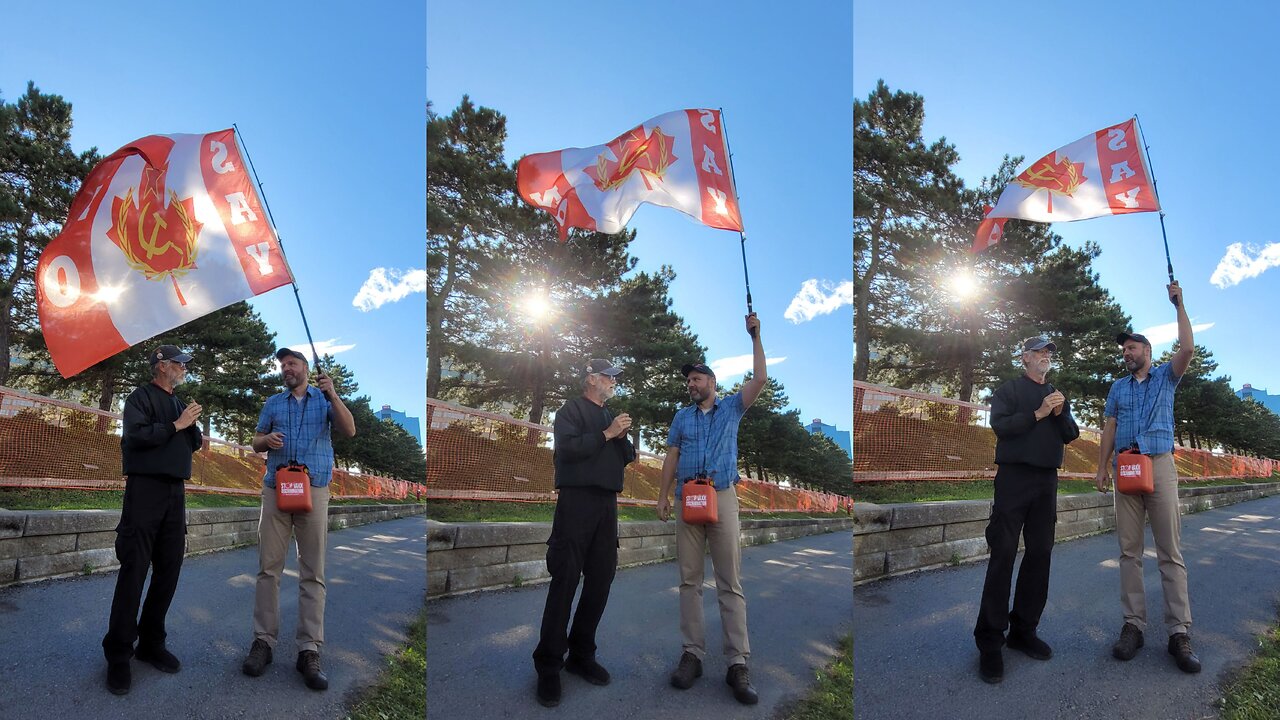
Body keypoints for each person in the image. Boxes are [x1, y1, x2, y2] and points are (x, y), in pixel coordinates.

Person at [658, 313, 766, 705]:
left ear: (712, 384)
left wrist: (756, 337)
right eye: (688, 380)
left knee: (729, 582)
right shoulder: (681, 417)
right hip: (688, 498)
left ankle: (737, 663)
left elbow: (759, 380)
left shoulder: (732, 409)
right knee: (688, 580)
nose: (691, 384)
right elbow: (671, 456)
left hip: (721, 496)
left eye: (697, 379)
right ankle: (692, 655)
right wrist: (662, 495)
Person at [1094, 281, 1200, 673]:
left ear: (1148, 352)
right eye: (1124, 349)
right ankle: (1133, 626)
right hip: (1126, 467)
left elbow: (1187, 348)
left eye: (1133, 347)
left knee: (1170, 552)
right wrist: (1102, 465)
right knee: (1129, 552)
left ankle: (1178, 633)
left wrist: (1180, 305)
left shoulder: (1165, 378)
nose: (1126, 352)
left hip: (1159, 465)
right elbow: (1110, 425)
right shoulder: (1118, 387)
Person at [241, 348, 355, 690]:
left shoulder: (324, 400)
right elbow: (255, 442)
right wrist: (267, 440)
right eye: (282, 365)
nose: (286, 368)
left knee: (312, 572)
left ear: (306, 368)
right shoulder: (273, 402)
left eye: (292, 363)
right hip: (277, 489)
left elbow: (349, 430)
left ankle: (309, 649)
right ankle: (263, 642)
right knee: (268, 569)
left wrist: (333, 393)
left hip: (314, 488)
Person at [973, 337, 1079, 683]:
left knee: (1041, 553)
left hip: (1046, 481)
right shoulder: (1009, 391)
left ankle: (1023, 630)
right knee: (1002, 553)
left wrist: (1059, 412)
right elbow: (1000, 427)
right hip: (1014, 477)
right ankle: (990, 642)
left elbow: (1071, 434)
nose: (1047, 356)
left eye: (1050, 352)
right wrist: (1039, 413)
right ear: (1026, 358)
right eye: (1041, 351)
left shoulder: (1058, 395)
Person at [532, 359, 636, 708]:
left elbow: (628, 457)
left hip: (607, 504)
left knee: (601, 578)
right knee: (565, 578)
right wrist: (607, 434)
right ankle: (548, 664)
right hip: (576, 501)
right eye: (609, 377)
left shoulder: (612, 417)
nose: (613, 382)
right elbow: (569, 450)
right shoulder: (570, 411)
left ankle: (581, 654)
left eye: (614, 379)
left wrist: (620, 436)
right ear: (592, 379)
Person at [102, 344, 203, 695]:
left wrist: (188, 423)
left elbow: (195, 444)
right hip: (145, 490)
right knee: (134, 569)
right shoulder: (139, 398)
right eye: (179, 363)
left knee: (169, 569)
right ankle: (118, 654)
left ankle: (150, 643)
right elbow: (137, 436)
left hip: (175, 492)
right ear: (161, 365)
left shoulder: (179, 403)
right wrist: (177, 424)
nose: (184, 368)